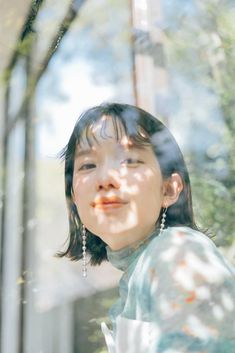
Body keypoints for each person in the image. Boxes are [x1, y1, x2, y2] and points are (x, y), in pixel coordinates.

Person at [58, 103, 235, 353]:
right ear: (74, 198)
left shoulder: (179, 250)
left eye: (129, 160)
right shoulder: (141, 270)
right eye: (88, 165)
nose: (105, 178)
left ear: (169, 189)